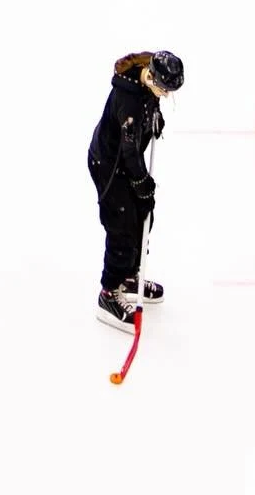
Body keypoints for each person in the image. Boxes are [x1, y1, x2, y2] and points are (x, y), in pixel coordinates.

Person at [88, 49, 184, 328]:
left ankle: (129, 276)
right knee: (121, 224)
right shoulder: (127, 100)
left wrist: (155, 119)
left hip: (128, 161)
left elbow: (150, 107)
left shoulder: (148, 82)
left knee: (144, 215)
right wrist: (142, 183)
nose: (164, 95)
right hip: (110, 164)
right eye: (163, 89)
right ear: (151, 76)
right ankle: (108, 292)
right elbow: (129, 152)